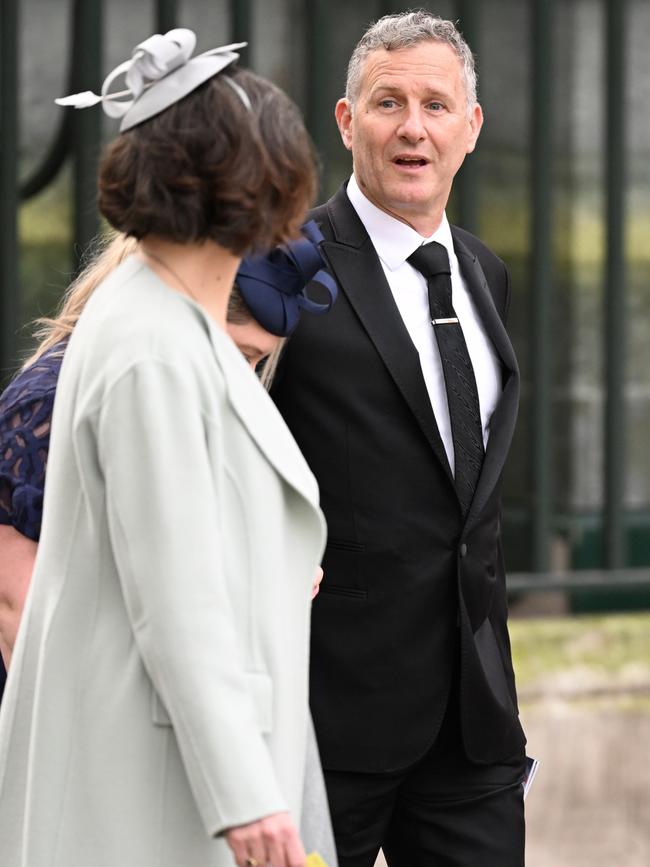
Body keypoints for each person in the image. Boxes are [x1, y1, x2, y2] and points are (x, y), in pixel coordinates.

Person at [0, 29, 334, 867]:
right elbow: (174, 591)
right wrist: (248, 796)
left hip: (167, 765)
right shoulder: (154, 345)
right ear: (258, 189)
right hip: (160, 783)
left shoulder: (155, 319)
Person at [272, 11, 527, 867]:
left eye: (435, 105)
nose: (412, 127)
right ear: (347, 122)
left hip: (474, 720)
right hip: (326, 717)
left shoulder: (485, 271)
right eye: (387, 102)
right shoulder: (285, 269)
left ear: (471, 128)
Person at [0, 219, 336, 685]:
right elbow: (19, 614)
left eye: (259, 361)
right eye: (239, 355)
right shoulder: (50, 400)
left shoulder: (187, 406)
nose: (243, 378)